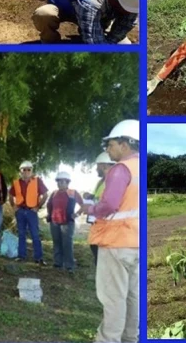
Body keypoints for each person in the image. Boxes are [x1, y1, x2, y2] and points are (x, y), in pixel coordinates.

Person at [79, 120, 139, 343]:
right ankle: (130, 338)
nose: (108, 149)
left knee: (114, 298)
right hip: (136, 242)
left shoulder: (121, 169)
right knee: (133, 296)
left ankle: (108, 339)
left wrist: (90, 209)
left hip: (116, 242)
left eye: (111, 144)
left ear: (125, 144)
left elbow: (110, 204)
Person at [32, 0, 138, 44]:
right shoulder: (91, 2)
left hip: (96, 14)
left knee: (124, 45)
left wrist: (110, 43)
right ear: (116, 2)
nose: (131, 13)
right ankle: (50, 43)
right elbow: (94, 42)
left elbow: (124, 27)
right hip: (64, 9)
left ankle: (84, 35)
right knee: (44, 13)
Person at [10, 160, 48, 265]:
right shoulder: (16, 183)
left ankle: (39, 258)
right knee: (21, 234)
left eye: (28, 169)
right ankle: (21, 256)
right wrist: (13, 206)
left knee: (35, 235)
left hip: (32, 212)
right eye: (24, 169)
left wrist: (38, 207)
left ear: (31, 171)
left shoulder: (37, 181)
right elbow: (11, 195)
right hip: (20, 211)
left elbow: (45, 195)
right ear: (20, 171)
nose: (26, 171)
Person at [46, 171, 83, 273]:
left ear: (67, 182)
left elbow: (83, 205)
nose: (60, 183)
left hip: (67, 222)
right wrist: (49, 214)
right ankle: (58, 263)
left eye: (63, 181)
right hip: (54, 222)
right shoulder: (54, 193)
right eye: (59, 181)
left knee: (67, 244)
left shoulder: (73, 193)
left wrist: (77, 214)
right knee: (56, 242)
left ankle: (69, 265)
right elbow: (49, 205)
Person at [86, 152, 115, 266]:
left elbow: (109, 203)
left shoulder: (113, 181)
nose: (96, 169)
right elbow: (97, 197)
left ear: (103, 166)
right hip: (97, 221)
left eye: (97, 166)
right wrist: (90, 196)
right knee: (95, 247)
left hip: (107, 223)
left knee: (102, 253)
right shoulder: (100, 182)